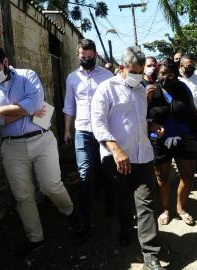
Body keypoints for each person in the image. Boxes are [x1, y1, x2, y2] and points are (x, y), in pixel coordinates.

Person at [0, 43, 79, 257]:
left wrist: (1, 110)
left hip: (41, 140)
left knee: (50, 185)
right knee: (23, 196)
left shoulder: (27, 76)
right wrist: (25, 109)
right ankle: (36, 239)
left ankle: (70, 211)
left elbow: (31, 107)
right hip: (12, 146)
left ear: (5, 62)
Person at [91, 46, 165, 270]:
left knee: (146, 203)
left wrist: (152, 125)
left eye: (141, 72)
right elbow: (98, 123)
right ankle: (125, 228)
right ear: (121, 67)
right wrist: (116, 149)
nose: (139, 76)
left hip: (143, 156)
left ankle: (150, 255)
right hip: (117, 159)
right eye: (134, 71)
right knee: (123, 201)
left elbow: (139, 120)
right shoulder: (106, 89)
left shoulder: (141, 89)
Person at [63, 39, 114, 241]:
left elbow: (114, 104)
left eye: (90, 58)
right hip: (82, 132)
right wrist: (67, 130)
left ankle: (112, 206)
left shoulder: (108, 76)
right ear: (78, 56)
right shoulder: (72, 78)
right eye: (83, 58)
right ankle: (85, 221)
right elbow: (69, 106)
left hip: (104, 132)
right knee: (84, 175)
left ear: (95, 55)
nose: (86, 60)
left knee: (108, 171)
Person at [148, 58, 197, 226]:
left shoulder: (183, 88)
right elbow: (140, 117)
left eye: (170, 74)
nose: (166, 78)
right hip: (159, 141)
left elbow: (192, 113)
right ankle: (165, 209)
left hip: (184, 138)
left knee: (188, 176)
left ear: (176, 75)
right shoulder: (149, 90)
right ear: (157, 73)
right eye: (162, 74)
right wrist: (151, 121)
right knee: (162, 177)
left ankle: (180, 208)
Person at [179, 55, 197, 181]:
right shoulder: (176, 80)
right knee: (182, 148)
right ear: (181, 66)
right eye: (187, 65)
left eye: (192, 65)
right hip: (180, 120)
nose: (190, 67)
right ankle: (185, 175)